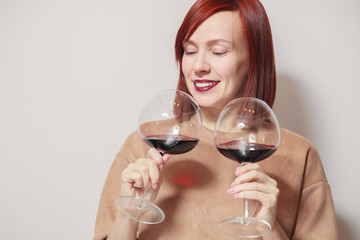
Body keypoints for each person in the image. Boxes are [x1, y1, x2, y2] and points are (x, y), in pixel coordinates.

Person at [93, 0, 338, 239]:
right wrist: (129, 213)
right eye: (189, 51)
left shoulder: (299, 155)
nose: (198, 65)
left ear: (253, 59)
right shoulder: (143, 146)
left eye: (218, 51)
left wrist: (268, 226)